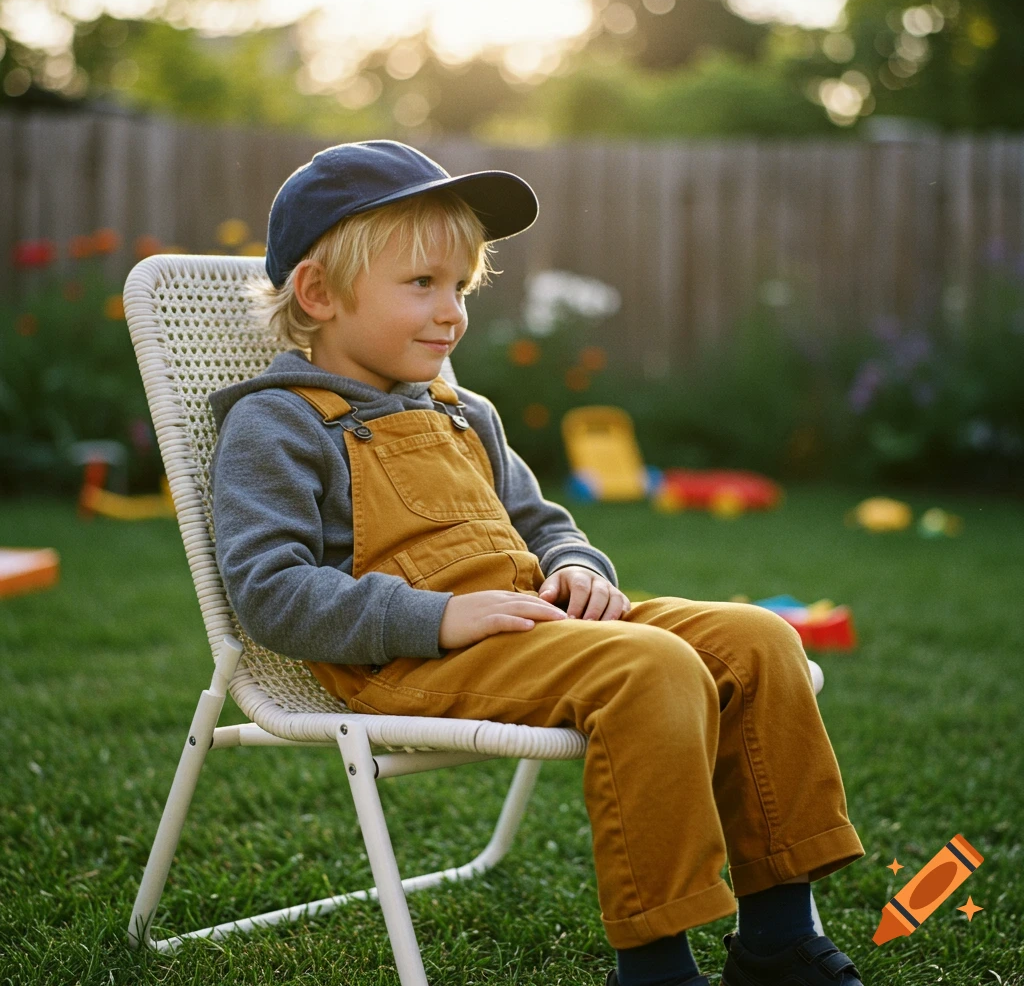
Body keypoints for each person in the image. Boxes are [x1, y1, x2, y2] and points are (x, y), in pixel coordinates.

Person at [209, 140, 866, 986]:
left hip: (533, 621)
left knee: (759, 639)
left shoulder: (462, 409)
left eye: (461, 287)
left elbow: (542, 523)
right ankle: (656, 967)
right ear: (319, 292)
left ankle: (777, 939)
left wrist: (579, 565)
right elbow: (270, 593)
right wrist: (438, 617)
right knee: (651, 668)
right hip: (404, 657)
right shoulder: (278, 424)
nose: (452, 313)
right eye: (422, 285)